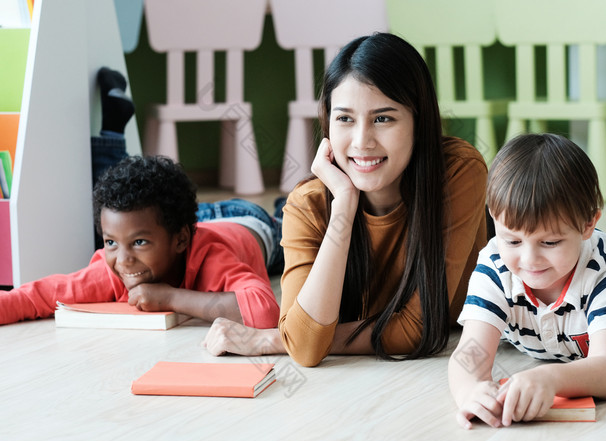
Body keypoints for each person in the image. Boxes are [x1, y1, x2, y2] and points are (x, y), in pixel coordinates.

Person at [202, 32, 489, 366]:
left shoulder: (457, 171)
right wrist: (344, 204)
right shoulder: (308, 204)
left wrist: (277, 338)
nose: (362, 141)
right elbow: (307, 350)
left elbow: (418, 329)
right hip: (294, 213)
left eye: (383, 118)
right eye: (345, 119)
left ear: (418, 122)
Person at [448, 123, 606, 429]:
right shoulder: (495, 265)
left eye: (549, 242)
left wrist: (551, 377)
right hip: (580, 261)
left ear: (588, 224)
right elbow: (470, 351)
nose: (529, 260)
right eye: (513, 241)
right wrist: (470, 389)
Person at [0, 154, 281, 328]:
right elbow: (37, 296)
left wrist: (170, 297)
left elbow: (265, 312)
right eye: (110, 242)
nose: (122, 260)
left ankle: (282, 207)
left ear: (182, 240)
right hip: (179, 218)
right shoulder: (113, 271)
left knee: (298, 227)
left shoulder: (213, 257)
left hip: (249, 221)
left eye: (139, 243)